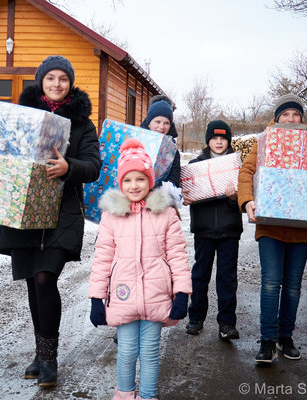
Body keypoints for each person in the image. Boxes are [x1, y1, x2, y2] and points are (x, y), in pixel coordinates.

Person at [0, 55, 101, 387]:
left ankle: (50, 359)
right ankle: (41, 352)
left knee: (44, 278)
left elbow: (93, 166)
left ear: (70, 83)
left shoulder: (82, 123)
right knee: (31, 281)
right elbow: (3, 157)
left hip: (62, 215)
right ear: (41, 81)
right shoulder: (21, 116)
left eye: (63, 79)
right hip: (23, 213)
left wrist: (69, 167)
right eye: (51, 78)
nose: (57, 84)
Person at [238, 94, 307, 365]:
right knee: (271, 283)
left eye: (295, 115)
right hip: (271, 227)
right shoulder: (264, 142)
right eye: (285, 114)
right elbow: (246, 172)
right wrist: (247, 200)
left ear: (302, 119)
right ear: (277, 119)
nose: (290, 119)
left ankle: (285, 338)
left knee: (293, 286)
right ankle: (267, 341)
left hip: (303, 229)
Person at [88, 138, 191, 400]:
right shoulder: (112, 216)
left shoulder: (165, 214)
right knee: (126, 352)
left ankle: (147, 396)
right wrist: (97, 298)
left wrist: (181, 293)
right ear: (121, 183)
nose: (135, 185)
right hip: (124, 295)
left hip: (156, 295)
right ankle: (124, 395)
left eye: (140, 179)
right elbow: (102, 258)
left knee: (150, 353)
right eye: (128, 180)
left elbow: (178, 255)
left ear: (150, 180)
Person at [182, 120, 242, 341]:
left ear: (228, 140)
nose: (219, 141)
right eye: (215, 137)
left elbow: (245, 199)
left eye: (223, 138)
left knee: (227, 277)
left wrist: (234, 198)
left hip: (230, 229)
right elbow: (186, 194)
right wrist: (185, 197)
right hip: (204, 229)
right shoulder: (195, 166)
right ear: (208, 140)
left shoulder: (237, 165)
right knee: (200, 275)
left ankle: (227, 323)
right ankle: (196, 318)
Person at [141, 96, 181, 191]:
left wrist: (164, 192)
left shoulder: (172, 147)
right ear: (149, 123)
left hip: (160, 196)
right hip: (135, 192)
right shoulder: (138, 140)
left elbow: (175, 174)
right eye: (157, 122)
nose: (161, 126)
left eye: (166, 123)